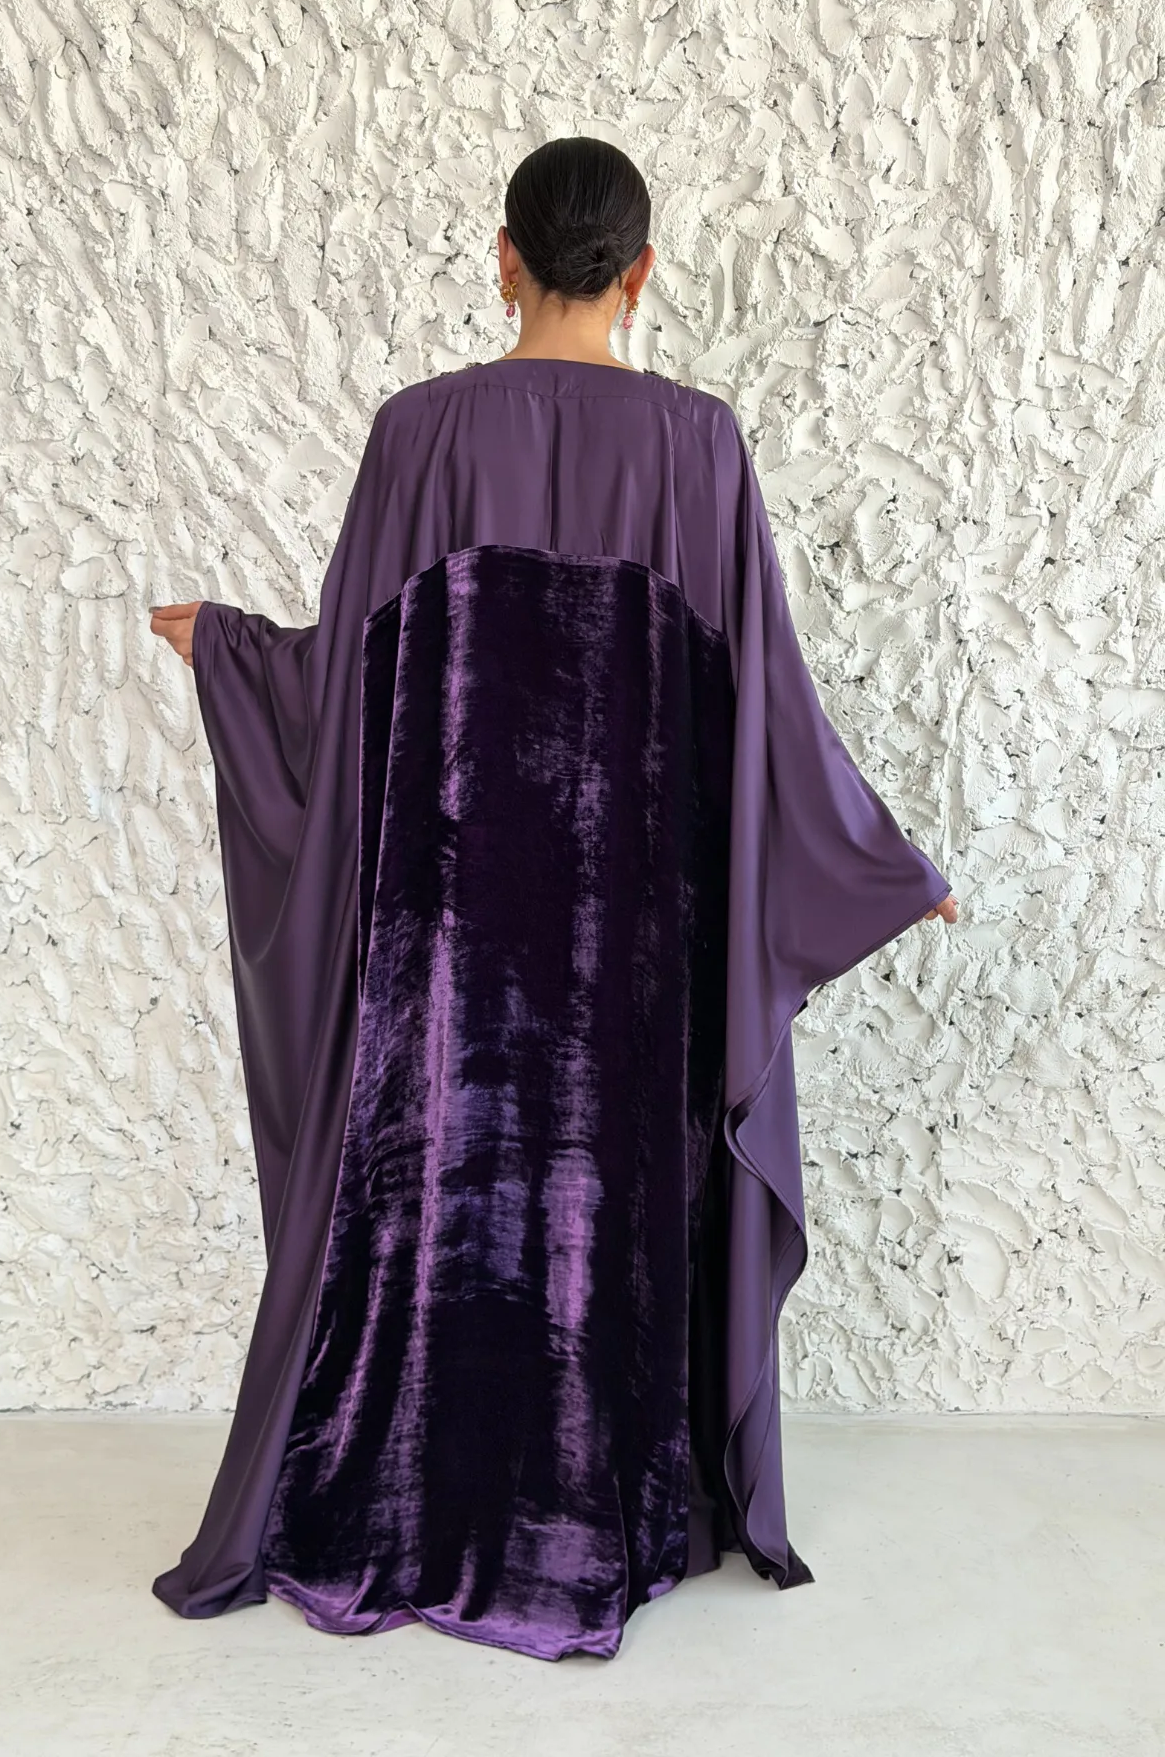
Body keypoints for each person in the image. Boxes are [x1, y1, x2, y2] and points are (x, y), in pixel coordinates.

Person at [148, 135, 959, 1662]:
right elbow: (767, 708)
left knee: (437, 1208)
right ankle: (605, 1509)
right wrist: (877, 861)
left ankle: (413, 1498)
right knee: (611, 1212)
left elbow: (341, 684)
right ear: (641, 274)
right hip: (626, 960)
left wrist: (234, 657)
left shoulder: (419, 433)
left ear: (502, 258)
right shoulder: (700, 446)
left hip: (440, 963)